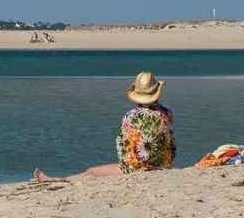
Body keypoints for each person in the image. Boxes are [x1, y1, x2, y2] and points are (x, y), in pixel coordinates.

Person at [34, 72, 175, 180]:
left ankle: (57, 179)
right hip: (163, 166)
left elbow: (123, 148)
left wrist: (133, 166)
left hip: (136, 170)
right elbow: (171, 146)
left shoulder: (130, 116)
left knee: (91, 172)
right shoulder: (167, 114)